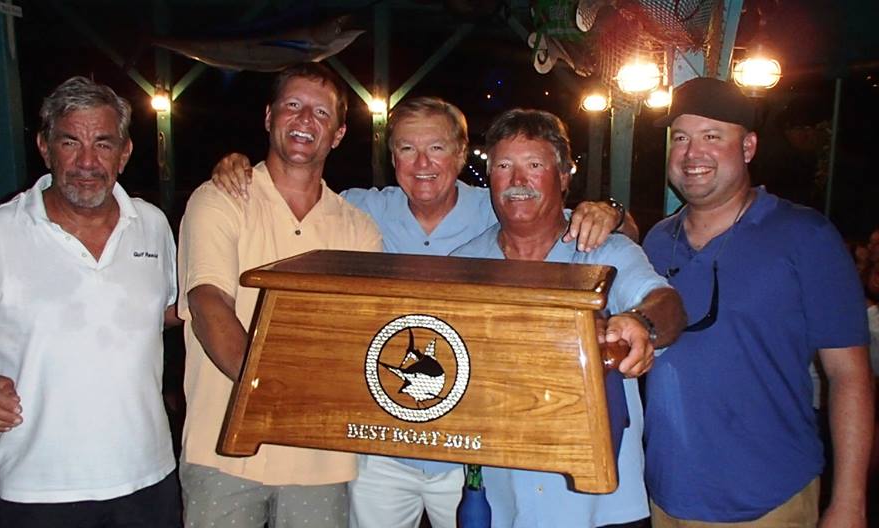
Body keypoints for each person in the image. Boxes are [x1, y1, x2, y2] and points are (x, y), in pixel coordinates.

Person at [211, 96, 635, 528]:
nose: (422, 163)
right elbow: (297, 194)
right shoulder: (361, 209)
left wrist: (614, 214)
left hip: (466, 452)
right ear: (392, 157)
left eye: (436, 148)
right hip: (382, 448)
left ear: (461, 154)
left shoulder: (497, 204)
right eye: (407, 149)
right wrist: (240, 167)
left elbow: (570, 220)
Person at [0, 76, 181, 527]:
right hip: (35, 488)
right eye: (70, 142)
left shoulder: (153, 225)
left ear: (124, 153)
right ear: (45, 147)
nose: (87, 162)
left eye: (103, 144)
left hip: (147, 479)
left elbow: (165, 313)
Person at [642, 77, 874, 527]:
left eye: (712, 136)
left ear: (748, 147)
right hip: (666, 497)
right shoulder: (656, 242)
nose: (692, 154)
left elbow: (849, 374)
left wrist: (850, 501)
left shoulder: (805, 236)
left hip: (770, 499)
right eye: (681, 138)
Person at [450, 107, 686, 527]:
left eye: (534, 165)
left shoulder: (608, 251)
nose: (518, 180)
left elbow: (665, 302)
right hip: (502, 501)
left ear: (562, 176)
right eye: (503, 166)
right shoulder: (462, 265)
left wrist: (642, 324)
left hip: (602, 506)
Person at [177, 62, 381, 528]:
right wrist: (270, 392)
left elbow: (356, 334)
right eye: (293, 105)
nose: (305, 119)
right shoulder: (219, 199)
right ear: (269, 117)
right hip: (222, 452)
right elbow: (208, 304)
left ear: (338, 134)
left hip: (319, 458)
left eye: (321, 113)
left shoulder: (359, 229)